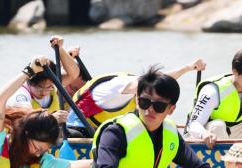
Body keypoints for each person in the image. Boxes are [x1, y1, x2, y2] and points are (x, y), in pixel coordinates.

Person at [82, 68, 223, 168]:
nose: (150, 109)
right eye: (144, 102)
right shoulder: (116, 132)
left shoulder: (171, 135)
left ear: (171, 109)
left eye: (159, 106)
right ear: (137, 101)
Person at [65, 59, 205, 137]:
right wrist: (187, 68)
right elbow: (156, 82)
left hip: (104, 130)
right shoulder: (114, 88)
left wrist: (188, 68)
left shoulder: (133, 88)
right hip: (78, 129)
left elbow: (158, 82)